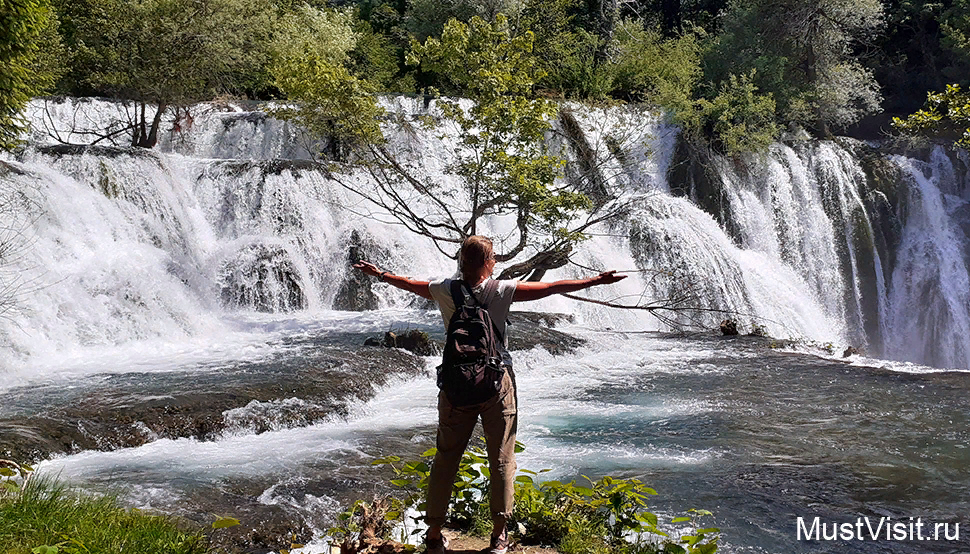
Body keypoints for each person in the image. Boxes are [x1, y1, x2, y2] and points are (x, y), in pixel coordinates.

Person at [353, 235, 626, 554]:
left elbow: (411, 284)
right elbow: (551, 288)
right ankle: (498, 537)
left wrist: (379, 274)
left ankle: (433, 537)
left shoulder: (445, 289)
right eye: (493, 257)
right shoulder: (502, 290)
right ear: (486, 262)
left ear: (462, 262)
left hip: (456, 384)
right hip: (497, 382)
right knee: (501, 458)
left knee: (445, 458)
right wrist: (596, 280)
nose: (495, 262)